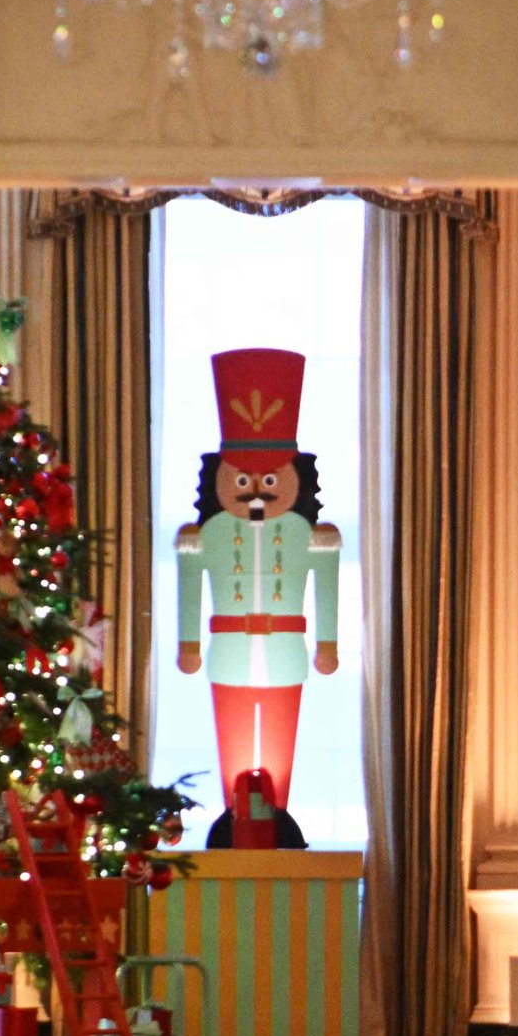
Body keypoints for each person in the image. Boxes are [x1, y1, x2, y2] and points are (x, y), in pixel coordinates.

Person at [173, 346, 339, 843]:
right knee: (236, 740)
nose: (256, 492)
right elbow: (190, 586)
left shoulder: (312, 534)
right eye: (243, 480)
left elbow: (324, 586)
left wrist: (327, 643)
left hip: (287, 650)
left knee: (279, 747)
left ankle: (277, 826)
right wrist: (189, 645)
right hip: (230, 650)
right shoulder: (207, 535)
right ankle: (237, 825)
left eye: (269, 479)